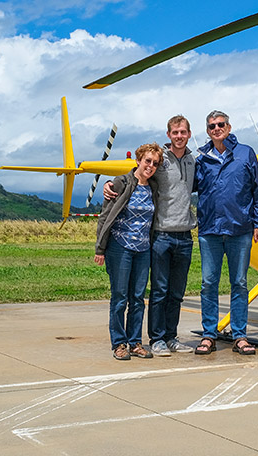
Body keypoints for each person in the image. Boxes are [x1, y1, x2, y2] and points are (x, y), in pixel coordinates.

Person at [105, 116, 197, 356]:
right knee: (154, 291)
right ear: (169, 135)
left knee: (170, 294)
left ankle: (166, 337)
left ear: (189, 134)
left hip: (181, 237)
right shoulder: (159, 160)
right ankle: (147, 339)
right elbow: (135, 175)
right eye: (175, 132)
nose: (179, 136)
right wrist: (110, 184)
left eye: (183, 132)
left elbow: (145, 176)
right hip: (157, 237)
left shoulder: (193, 161)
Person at [194, 110, 258, 356]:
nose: (216, 128)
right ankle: (209, 334)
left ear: (229, 126)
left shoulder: (246, 153)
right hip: (210, 230)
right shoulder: (201, 158)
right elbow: (180, 183)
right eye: (212, 125)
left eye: (220, 124)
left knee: (240, 283)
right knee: (208, 283)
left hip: (240, 229)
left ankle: (240, 335)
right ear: (207, 131)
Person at [95, 143, 163, 361]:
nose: (150, 166)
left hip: (143, 249)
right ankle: (119, 343)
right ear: (138, 160)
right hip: (119, 247)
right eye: (147, 161)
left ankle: (135, 342)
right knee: (120, 297)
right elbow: (105, 216)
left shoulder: (153, 187)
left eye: (155, 163)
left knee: (137, 298)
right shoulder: (121, 183)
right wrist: (101, 247)